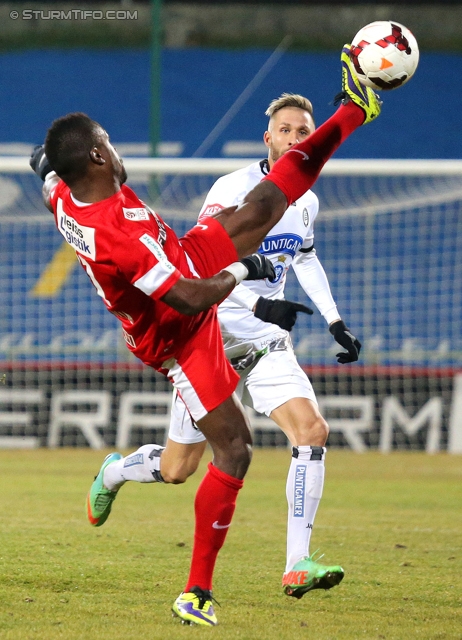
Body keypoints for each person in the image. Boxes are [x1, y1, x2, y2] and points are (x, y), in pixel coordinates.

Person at [30, 46, 381, 627]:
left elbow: (46, 177)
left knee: (266, 205)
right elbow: (190, 299)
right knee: (226, 452)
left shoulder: (67, 191)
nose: (118, 149)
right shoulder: (117, 234)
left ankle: (353, 109)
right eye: (110, 142)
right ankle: (194, 590)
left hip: (183, 254)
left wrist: (42, 163)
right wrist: (249, 271)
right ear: (96, 155)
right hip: (177, 333)